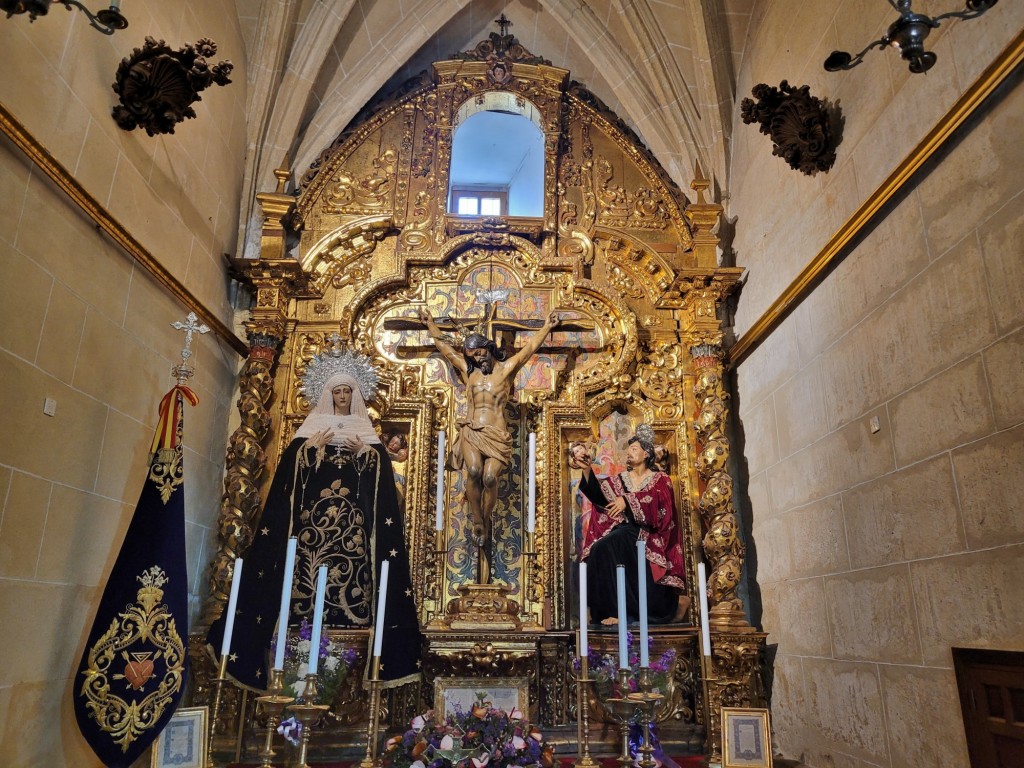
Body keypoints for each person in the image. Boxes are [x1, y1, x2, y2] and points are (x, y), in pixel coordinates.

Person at [207, 362, 422, 692]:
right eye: (336, 391)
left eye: (347, 391)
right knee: (305, 568)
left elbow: (380, 486)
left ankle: (354, 617)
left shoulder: (365, 433)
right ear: (328, 394)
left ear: (355, 395)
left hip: (353, 530)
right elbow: (291, 477)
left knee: (354, 573)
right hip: (312, 530)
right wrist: (311, 450)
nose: (341, 396)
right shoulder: (312, 427)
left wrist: (365, 452)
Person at [420, 308, 561, 583]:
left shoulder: (507, 369)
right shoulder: (468, 372)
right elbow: (446, 350)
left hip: (497, 434)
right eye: (473, 356)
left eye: (481, 353)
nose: (477, 358)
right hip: (472, 430)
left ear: (489, 348)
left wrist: (546, 326)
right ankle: (477, 520)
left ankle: (484, 518)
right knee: (472, 471)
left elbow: (530, 347)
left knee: (489, 476)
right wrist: (430, 326)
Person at [569, 424, 689, 625]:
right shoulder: (620, 480)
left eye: (634, 449)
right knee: (601, 549)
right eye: (629, 449)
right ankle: (612, 609)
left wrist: (628, 501)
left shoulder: (660, 479)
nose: (630, 453)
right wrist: (588, 469)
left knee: (611, 545)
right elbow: (600, 498)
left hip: (649, 535)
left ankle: (670, 604)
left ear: (646, 453)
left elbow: (663, 504)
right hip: (625, 532)